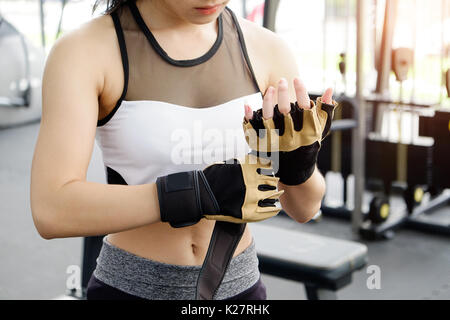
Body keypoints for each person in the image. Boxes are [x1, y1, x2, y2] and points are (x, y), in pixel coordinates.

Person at [30, 0, 334, 300]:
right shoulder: (86, 50)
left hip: (239, 289)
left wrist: (298, 166)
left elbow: (305, 208)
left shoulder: (266, 49)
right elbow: (52, 209)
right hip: (131, 288)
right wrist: (197, 193)